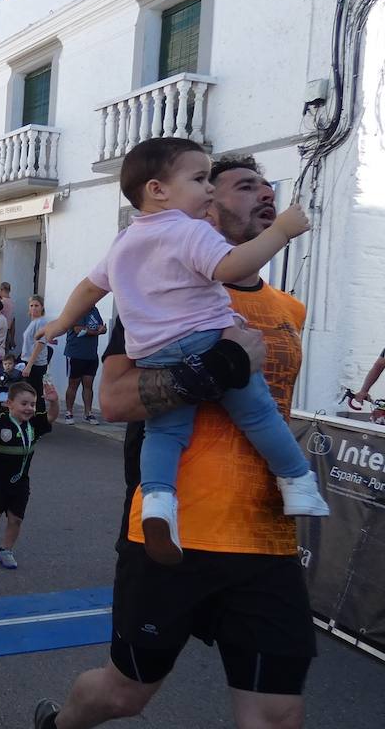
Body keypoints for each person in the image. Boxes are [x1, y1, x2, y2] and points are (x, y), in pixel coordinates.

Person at [29, 153, 315, 729]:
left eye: (267, 186)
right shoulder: (153, 292)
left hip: (265, 543)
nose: (264, 195)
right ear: (205, 205)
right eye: (244, 186)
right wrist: (219, 362)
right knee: (126, 693)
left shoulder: (289, 309)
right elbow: (117, 401)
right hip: (171, 533)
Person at [40, 138, 325, 565]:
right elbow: (230, 266)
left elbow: (89, 287)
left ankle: (159, 501)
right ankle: (297, 481)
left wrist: (60, 323)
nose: (207, 188)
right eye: (202, 180)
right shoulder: (189, 233)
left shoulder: (126, 244)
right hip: (205, 345)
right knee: (257, 413)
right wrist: (283, 232)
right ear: (160, 190)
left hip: (261, 536)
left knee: (165, 433)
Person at [0, 380, 59, 569]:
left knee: (16, 519)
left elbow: (51, 417)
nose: (29, 408)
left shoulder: (35, 423)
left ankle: (5, 550)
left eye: (32, 404)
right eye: (24, 404)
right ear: (9, 403)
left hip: (20, 482)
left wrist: (54, 402)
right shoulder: (0, 422)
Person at [61, 307, 107, 425]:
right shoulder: (78, 309)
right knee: (73, 384)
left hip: (91, 354)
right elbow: (79, 330)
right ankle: (69, 412)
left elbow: (102, 327)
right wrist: (97, 331)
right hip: (75, 353)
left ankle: (88, 413)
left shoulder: (95, 310)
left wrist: (102, 329)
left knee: (88, 384)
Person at [19, 295, 57, 405]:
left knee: (35, 394)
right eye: (31, 305)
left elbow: (39, 344)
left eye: (37, 305)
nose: (34, 308)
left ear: (42, 307)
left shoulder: (41, 322)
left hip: (36, 364)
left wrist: (29, 366)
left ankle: (39, 418)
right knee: (29, 394)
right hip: (28, 360)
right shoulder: (34, 322)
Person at [0, 282, 16, 353]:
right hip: (8, 331)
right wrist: (12, 337)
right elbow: (13, 320)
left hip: (0, 331)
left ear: (1, 290)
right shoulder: (12, 303)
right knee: (5, 354)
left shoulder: (1, 303)